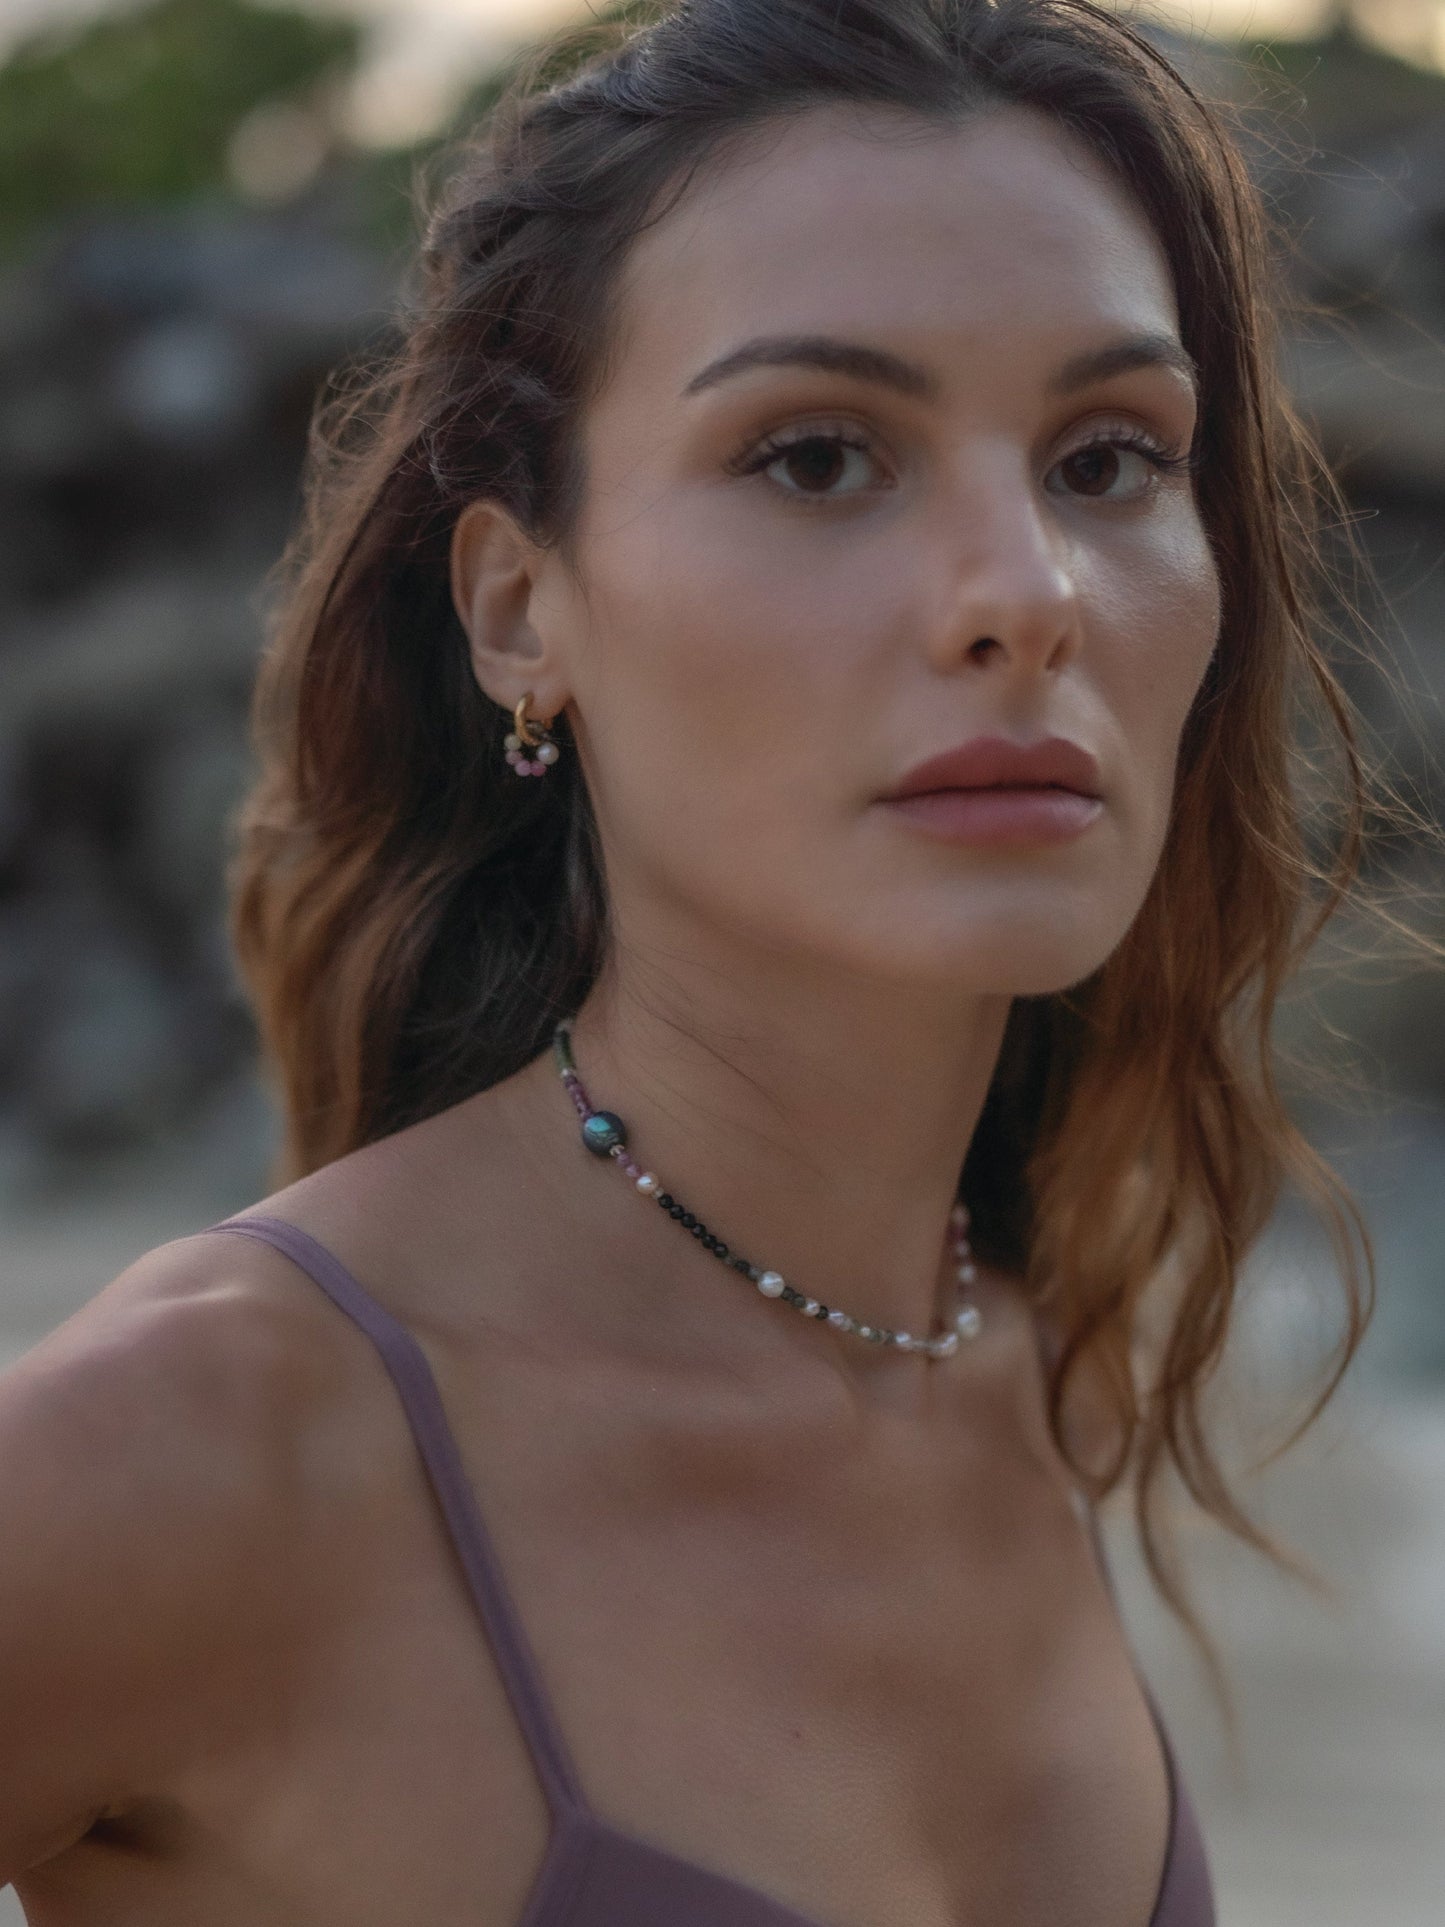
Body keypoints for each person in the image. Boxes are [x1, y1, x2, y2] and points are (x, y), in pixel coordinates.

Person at [0, 0, 1382, 1921]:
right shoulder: (209, 1453)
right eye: (819, 457)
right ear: (516, 606)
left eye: (1106, 459)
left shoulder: (1016, 1346)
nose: (1023, 595)